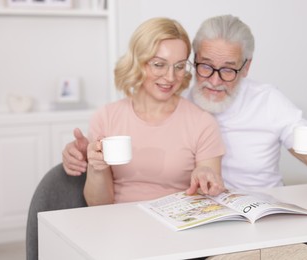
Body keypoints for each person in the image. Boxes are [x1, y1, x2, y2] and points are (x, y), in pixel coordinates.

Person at [63, 14, 307, 192]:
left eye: (229, 69)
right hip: (199, 217)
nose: (214, 80)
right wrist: (81, 155)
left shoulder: (269, 102)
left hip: (257, 213)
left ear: (246, 67)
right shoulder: (172, 94)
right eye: (205, 66)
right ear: (193, 62)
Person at [82, 17, 225, 206]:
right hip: (119, 223)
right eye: (159, 64)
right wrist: (96, 169)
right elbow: (97, 205)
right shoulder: (106, 117)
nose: (170, 77)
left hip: (175, 224)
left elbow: (210, 195)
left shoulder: (202, 123)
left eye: (180, 66)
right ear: (138, 62)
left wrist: (205, 178)